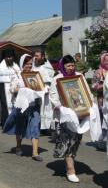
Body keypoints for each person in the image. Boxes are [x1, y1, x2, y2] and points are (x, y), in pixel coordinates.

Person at [50, 55, 101, 183]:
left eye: (73, 65)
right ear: (63, 66)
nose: (71, 68)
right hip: (66, 116)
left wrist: (90, 103)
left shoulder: (79, 76)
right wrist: (61, 107)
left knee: (76, 140)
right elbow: (53, 98)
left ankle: (69, 161)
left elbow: (87, 92)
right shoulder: (57, 79)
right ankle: (70, 170)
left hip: (80, 114)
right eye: (68, 66)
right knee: (67, 141)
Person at [3, 54, 43, 162]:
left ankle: (35, 152)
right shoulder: (17, 76)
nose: (29, 66)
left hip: (34, 105)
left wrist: (43, 90)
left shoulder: (35, 75)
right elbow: (12, 89)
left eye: (30, 64)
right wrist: (22, 89)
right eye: (26, 64)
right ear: (22, 64)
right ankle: (18, 146)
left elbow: (40, 87)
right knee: (20, 126)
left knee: (35, 125)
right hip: (21, 105)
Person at [33, 50, 55, 131]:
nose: (35, 57)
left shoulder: (47, 67)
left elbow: (50, 80)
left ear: (43, 57)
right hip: (35, 91)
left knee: (46, 109)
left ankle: (46, 128)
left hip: (46, 92)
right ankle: (38, 126)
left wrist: (46, 89)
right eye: (35, 56)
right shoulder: (34, 66)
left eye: (37, 56)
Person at [92, 52, 108, 150]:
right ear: (102, 61)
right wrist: (103, 86)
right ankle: (102, 141)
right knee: (103, 120)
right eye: (106, 60)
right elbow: (93, 86)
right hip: (102, 100)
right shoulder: (98, 72)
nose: (107, 62)